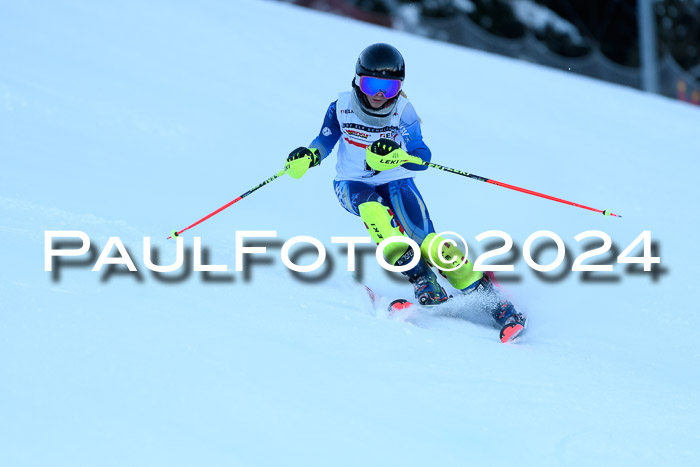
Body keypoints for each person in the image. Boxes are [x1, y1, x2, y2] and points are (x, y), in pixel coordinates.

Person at [284, 43, 525, 333]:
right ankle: (422, 277)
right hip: (351, 183)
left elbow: (422, 156)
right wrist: (309, 156)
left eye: (389, 86)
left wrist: (402, 157)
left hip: (397, 180)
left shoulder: (403, 111)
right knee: (374, 212)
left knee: (430, 244)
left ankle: (490, 299)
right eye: (371, 84)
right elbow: (324, 142)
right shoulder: (341, 106)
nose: (378, 94)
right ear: (358, 80)